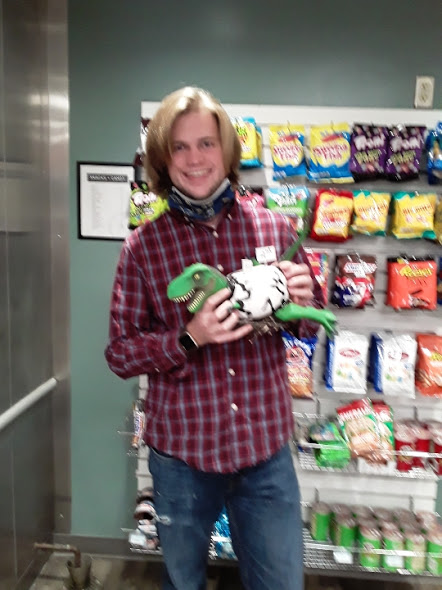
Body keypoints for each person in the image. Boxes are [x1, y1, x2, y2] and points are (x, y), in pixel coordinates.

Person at [105, 86, 323, 590]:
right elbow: (120, 353)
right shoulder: (143, 247)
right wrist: (188, 338)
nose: (195, 159)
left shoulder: (273, 229)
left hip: (264, 453)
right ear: (163, 160)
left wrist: (304, 300)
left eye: (206, 143)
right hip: (182, 456)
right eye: (179, 147)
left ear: (227, 150)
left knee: (280, 583)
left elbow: (307, 327)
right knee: (183, 583)